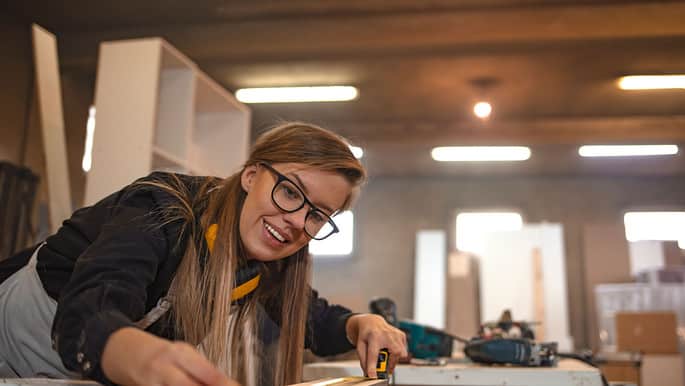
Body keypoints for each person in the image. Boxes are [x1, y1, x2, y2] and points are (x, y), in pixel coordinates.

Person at [0, 122, 408, 386]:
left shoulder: (267, 264)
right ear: (251, 175)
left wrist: (361, 324)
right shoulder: (161, 209)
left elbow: (313, 320)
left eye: (318, 215)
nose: (297, 222)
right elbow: (90, 310)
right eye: (289, 192)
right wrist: (144, 355)